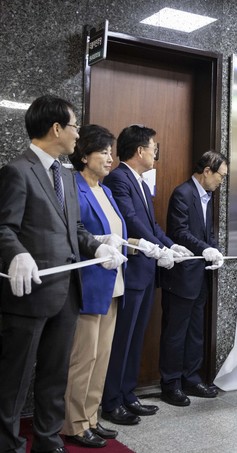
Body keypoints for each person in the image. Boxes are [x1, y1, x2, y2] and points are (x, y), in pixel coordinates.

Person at [0, 96, 126, 453]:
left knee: (55, 374)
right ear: (56, 128)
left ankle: (48, 439)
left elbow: (76, 228)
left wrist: (97, 247)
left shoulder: (67, 176)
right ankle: (8, 444)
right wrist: (17, 253)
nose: (77, 135)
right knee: (15, 378)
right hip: (30, 294)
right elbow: (4, 227)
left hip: (67, 293)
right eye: (74, 127)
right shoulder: (17, 171)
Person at [101, 125, 193, 425]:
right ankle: (111, 401)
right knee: (122, 339)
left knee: (135, 337)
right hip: (131, 271)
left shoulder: (139, 181)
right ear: (140, 150)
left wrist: (170, 245)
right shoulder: (118, 178)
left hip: (146, 271)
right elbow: (130, 220)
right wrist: (158, 248)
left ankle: (128, 395)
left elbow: (151, 225)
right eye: (154, 148)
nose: (156, 153)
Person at [62, 125, 129, 448]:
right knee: (83, 358)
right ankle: (74, 423)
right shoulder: (73, 188)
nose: (110, 158)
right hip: (88, 286)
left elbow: (117, 234)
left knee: (101, 357)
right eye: (103, 152)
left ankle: (91, 417)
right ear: (84, 155)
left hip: (113, 284)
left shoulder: (106, 190)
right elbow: (75, 234)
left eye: (110, 152)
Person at [158, 151, 227, 406]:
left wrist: (215, 249)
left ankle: (191, 378)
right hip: (181, 277)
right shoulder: (183, 193)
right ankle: (171, 384)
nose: (221, 181)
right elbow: (180, 232)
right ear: (207, 171)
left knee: (196, 331)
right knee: (175, 333)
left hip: (200, 277)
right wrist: (204, 249)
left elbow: (208, 233)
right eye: (220, 175)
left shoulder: (208, 196)